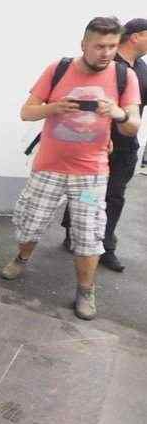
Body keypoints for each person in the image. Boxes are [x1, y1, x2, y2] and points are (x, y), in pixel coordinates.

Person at [1, 17, 141, 321]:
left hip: (91, 175)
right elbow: (27, 112)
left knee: (90, 233)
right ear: (84, 44)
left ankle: (86, 289)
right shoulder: (58, 69)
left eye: (112, 46)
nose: (106, 52)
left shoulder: (124, 76)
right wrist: (54, 107)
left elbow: (132, 126)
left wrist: (116, 112)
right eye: (99, 46)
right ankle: (22, 257)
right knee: (30, 221)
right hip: (48, 168)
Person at [61, 18, 147, 272]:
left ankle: (104, 242)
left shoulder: (141, 69)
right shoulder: (106, 66)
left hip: (126, 147)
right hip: (95, 144)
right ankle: (77, 233)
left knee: (114, 195)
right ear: (136, 36)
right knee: (88, 194)